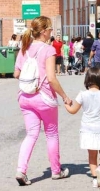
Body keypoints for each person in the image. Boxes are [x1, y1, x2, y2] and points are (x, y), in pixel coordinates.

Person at [13, 16, 72, 186]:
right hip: (44, 98)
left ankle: (21, 170)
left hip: (25, 97)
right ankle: (56, 171)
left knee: (31, 134)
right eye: (50, 29)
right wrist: (65, 96)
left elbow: (16, 74)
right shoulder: (49, 50)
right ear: (45, 31)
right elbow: (52, 78)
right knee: (51, 134)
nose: (52, 32)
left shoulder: (24, 47)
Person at [64, 67, 100, 188]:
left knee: (92, 156)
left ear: (87, 80)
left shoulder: (82, 95)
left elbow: (73, 110)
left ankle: (94, 179)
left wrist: (66, 104)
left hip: (87, 130)